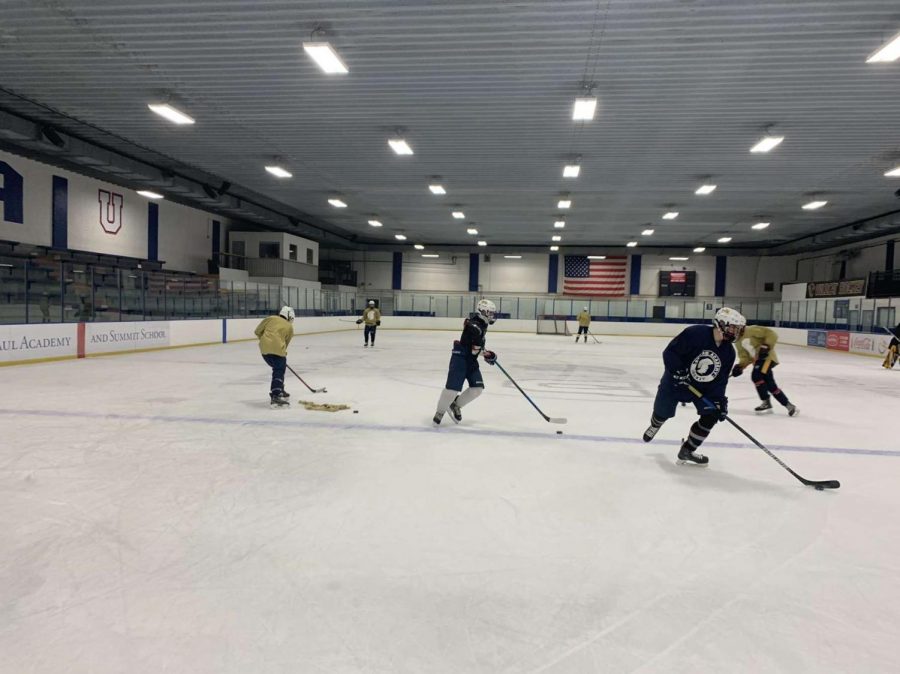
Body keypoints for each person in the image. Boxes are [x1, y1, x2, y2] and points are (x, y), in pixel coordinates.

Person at [642, 307, 746, 465]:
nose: (736, 332)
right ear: (721, 324)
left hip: (700, 388)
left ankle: (687, 451)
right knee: (662, 412)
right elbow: (670, 353)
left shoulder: (729, 353)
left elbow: (720, 380)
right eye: (733, 327)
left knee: (712, 415)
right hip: (675, 382)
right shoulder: (695, 334)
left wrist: (719, 401)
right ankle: (656, 424)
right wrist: (678, 371)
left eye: (738, 329)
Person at [433, 299, 498, 425]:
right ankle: (440, 411)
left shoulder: (481, 325)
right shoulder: (474, 326)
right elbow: (475, 349)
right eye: (490, 313)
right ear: (483, 312)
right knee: (452, 389)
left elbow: (476, 349)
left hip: (471, 360)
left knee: (477, 389)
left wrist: (488, 354)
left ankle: (456, 405)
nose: (492, 316)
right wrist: (486, 354)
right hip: (460, 359)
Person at [733, 325, 798, 416]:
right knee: (770, 385)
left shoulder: (751, 330)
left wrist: (766, 346)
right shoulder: (738, 342)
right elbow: (745, 357)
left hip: (767, 358)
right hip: (758, 362)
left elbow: (771, 334)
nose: (733, 331)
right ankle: (789, 406)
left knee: (756, 375)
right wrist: (740, 366)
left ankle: (766, 401)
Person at [255, 306, 295, 407]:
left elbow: (257, 331)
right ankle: (276, 394)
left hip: (264, 350)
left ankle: (280, 389)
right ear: (289, 316)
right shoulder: (289, 327)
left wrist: (265, 340)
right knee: (279, 370)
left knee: (278, 368)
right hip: (278, 350)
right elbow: (286, 343)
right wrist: (282, 353)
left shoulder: (270, 318)